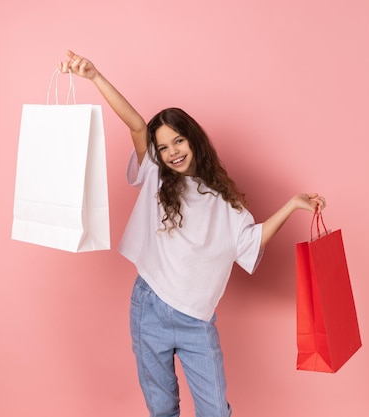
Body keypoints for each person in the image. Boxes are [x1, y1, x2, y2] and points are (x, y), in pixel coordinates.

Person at [59, 50, 326, 417]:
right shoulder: (154, 174)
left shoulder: (226, 204)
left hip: (196, 321)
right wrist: (95, 76)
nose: (171, 152)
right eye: (164, 146)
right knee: (163, 408)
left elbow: (248, 241)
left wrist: (292, 205)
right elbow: (137, 125)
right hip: (149, 306)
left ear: (194, 140)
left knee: (215, 411)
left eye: (178, 141)